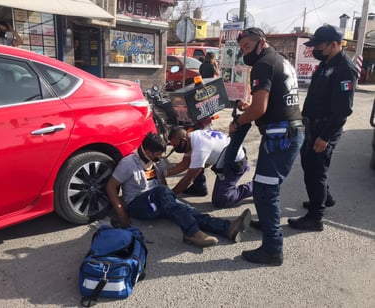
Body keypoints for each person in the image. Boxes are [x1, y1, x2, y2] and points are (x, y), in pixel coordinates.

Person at [231, 27, 305, 266]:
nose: (244, 53)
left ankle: (273, 249)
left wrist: (237, 121)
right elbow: (269, 100)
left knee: (265, 190)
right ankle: (265, 221)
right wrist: (249, 106)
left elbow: (260, 110)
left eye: (248, 47)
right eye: (241, 49)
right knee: (267, 186)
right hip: (287, 132)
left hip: (280, 136)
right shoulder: (280, 60)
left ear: (261, 43)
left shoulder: (263, 64)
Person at [105, 132, 252, 248]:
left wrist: (170, 199)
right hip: (138, 205)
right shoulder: (128, 163)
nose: (161, 157)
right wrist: (121, 213)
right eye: (158, 154)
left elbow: (163, 180)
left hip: (157, 202)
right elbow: (111, 186)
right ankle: (191, 232)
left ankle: (227, 229)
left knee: (188, 210)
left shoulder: (156, 162)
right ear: (148, 152)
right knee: (165, 193)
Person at [287, 25, 358, 231]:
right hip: (312, 124)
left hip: (325, 128)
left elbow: (343, 110)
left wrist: (325, 137)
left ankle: (315, 218)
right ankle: (324, 198)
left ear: (334, 45)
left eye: (319, 45)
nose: (314, 49)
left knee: (315, 171)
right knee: (310, 165)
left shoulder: (344, 68)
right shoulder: (327, 62)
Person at [167, 127, 253, 208]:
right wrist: (164, 173)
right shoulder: (192, 137)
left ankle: (255, 187)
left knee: (221, 200)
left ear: (183, 140)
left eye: (175, 145)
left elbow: (188, 179)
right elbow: (185, 163)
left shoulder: (200, 148)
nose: (175, 148)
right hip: (226, 158)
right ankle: (199, 187)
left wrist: (170, 194)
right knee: (195, 163)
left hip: (235, 163)